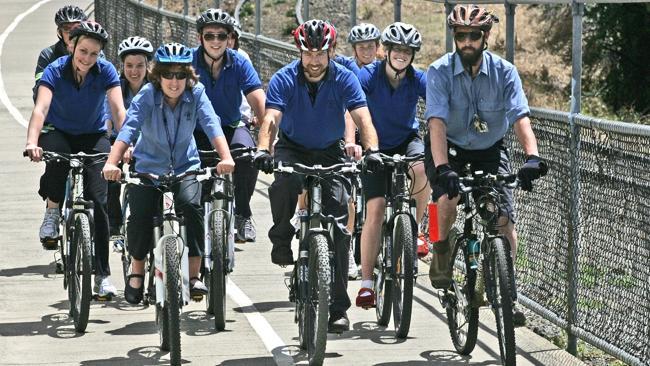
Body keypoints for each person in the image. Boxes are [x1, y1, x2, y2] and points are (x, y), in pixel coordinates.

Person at [253, 19, 383, 333]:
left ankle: (338, 310)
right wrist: (263, 149)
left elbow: (361, 116)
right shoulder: (285, 78)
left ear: (331, 52)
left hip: (330, 150)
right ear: (300, 52)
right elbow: (271, 118)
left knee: (339, 227)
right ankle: (282, 236)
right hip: (293, 147)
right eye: (308, 53)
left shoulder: (345, 78)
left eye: (320, 53)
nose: (314, 60)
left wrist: (373, 149)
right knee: (284, 183)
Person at [425, 4, 548, 326]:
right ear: (454, 37)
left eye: (473, 36)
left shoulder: (505, 72)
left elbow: (520, 116)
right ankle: (439, 246)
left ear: (486, 37)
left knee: (503, 220)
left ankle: (507, 294)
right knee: (445, 200)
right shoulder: (438, 71)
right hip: (447, 148)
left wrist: (532, 156)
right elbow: (435, 122)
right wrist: (442, 168)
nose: (467, 41)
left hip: (489, 149)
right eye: (460, 35)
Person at [102, 43, 235, 305]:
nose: (174, 82)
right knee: (140, 214)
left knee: (192, 207)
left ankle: (194, 275)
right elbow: (128, 130)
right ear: (157, 75)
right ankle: (137, 271)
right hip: (149, 168)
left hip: (186, 166)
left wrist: (226, 157)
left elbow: (212, 125)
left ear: (188, 76)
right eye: (168, 75)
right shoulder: (147, 95)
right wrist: (112, 163)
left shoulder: (196, 93)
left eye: (180, 75)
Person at [24, 21, 125, 298]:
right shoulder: (55, 70)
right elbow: (41, 108)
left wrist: (126, 147)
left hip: (93, 135)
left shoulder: (106, 71)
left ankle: (103, 275)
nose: (87, 59)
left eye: (94, 54)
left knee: (100, 199)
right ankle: (53, 211)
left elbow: (118, 111)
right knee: (56, 161)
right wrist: (32, 142)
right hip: (58, 131)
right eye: (83, 51)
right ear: (71, 46)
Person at [355, 22, 430, 308]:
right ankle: (366, 284)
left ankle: (417, 228)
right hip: (374, 145)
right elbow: (353, 109)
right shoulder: (368, 75)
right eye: (397, 49)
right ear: (386, 51)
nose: (402, 54)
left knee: (423, 169)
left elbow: (437, 109)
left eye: (407, 51)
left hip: (405, 140)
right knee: (374, 210)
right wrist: (354, 142)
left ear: (413, 54)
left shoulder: (418, 79)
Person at [192, 8, 266, 243]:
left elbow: (259, 101)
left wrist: (268, 143)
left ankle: (243, 214)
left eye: (221, 36)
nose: (216, 41)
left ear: (230, 39)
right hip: (196, 129)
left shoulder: (239, 62)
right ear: (200, 38)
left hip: (231, 126)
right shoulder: (188, 62)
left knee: (247, 155)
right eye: (209, 36)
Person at [104, 36, 154, 245]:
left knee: (145, 181)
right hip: (119, 141)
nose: (134, 71)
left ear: (148, 66)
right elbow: (108, 119)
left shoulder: (156, 88)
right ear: (122, 66)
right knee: (111, 181)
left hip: (147, 142)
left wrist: (137, 144)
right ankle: (114, 224)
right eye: (129, 66)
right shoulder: (115, 87)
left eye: (140, 66)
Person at [32, 5, 88, 102]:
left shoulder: (94, 53)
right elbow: (39, 88)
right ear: (59, 32)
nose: (72, 32)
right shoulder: (47, 54)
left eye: (76, 28)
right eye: (66, 28)